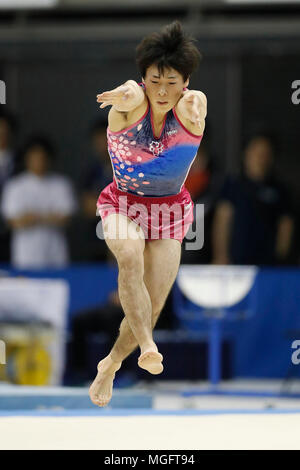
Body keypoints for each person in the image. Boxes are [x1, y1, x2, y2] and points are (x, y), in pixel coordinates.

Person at [89, 21, 207, 407]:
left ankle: (111, 363)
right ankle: (147, 345)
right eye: (154, 80)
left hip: (170, 212)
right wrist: (125, 95)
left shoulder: (191, 107)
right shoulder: (132, 102)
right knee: (129, 256)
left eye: (171, 82)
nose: (161, 91)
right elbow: (128, 95)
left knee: (153, 304)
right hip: (123, 203)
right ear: (143, 78)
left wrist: (194, 102)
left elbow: (198, 103)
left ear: (185, 81)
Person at [212, 132, 294, 266]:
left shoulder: (281, 191)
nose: (260, 158)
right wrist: (221, 256)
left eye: (265, 154)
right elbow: (222, 221)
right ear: (246, 154)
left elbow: (286, 226)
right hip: (236, 267)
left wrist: (281, 261)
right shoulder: (233, 186)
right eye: (256, 152)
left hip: (269, 267)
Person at [1, 135, 77, 268]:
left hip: (56, 255)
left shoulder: (61, 184)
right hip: (25, 257)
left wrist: (33, 217)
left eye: (42, 157)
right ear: (27, 158)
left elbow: (66, 218)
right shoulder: (15, 186)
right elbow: (13, 221)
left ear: (49, 159)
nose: (39, 161)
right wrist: (49, 217)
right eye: (34, 156)